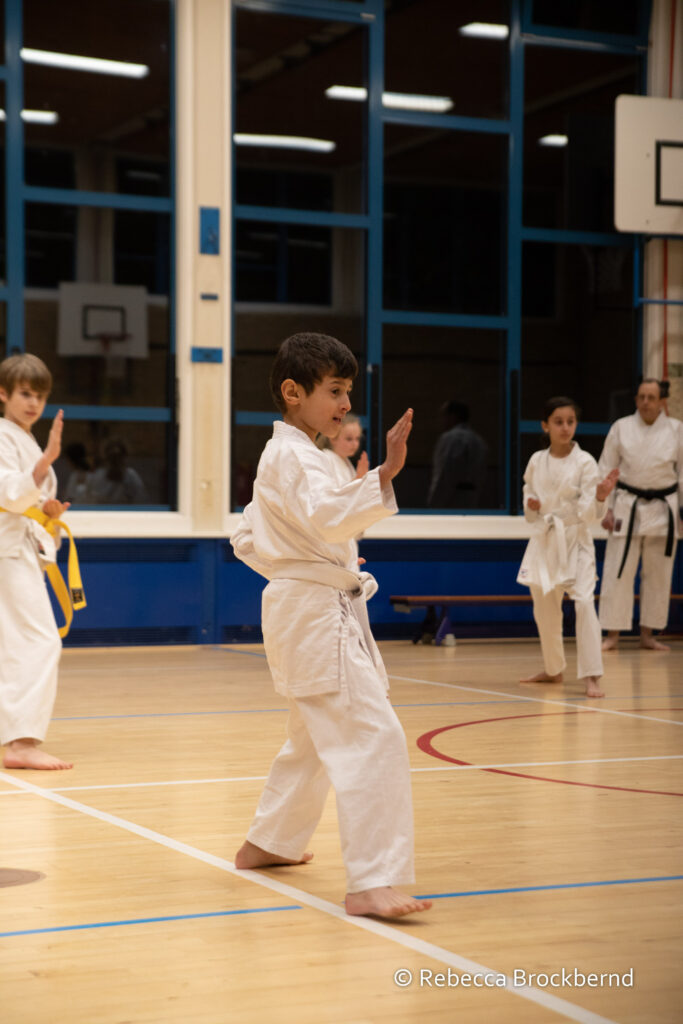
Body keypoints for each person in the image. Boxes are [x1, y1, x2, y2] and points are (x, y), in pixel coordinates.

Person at [230, 332, 431, 919]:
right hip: (316, 617)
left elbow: (247, 534)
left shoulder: (296, 457)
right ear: (294, 393)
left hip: (305, 609)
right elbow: (322, 517)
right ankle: (373, 880)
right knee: (374, 737)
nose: (346, 404)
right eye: (335, 391)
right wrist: (388, 470)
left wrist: (320, 564)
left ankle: (268, 843)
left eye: (349, 391)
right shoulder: (293, 455)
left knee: (313, 740)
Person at [517, 397, 619, 699]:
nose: (565, 428)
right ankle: (553, 669)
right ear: (545, 425)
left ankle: (592, 675)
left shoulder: (586, 462)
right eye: (558, 422)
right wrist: (531, 505)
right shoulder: (537, 460)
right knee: (544, 609)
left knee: (585, 604)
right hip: (546, 540)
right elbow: (528, 495)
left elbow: (590, 515)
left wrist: (600, 497)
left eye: (570, 422)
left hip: (576, 541)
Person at [0, 353, 73, 770]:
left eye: (40, 396)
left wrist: (48, 512)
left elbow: (24, 501)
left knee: (12, 644)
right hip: (7, 554)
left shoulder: (21, 439)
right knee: (38, 641)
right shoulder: (3, 435)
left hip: (17, 549)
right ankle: (22, 743)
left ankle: (16, 737)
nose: (33, 403)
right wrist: (45, 462)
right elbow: (8, 493)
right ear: (4, 393)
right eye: (25, 394)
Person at [598, 379, 683, 651]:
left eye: (651, 397)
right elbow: (606, 470)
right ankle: (612, 635)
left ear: (661, 402)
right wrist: (605, 509)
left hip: (664, 508)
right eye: (641, 397)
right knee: (617, 571)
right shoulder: (621, 428)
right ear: (636, 400)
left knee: (658, 575)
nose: (646, 402)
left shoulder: (677, 430)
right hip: (627, 504)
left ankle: (648, 634)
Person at [428, 400, 488, 508]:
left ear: (453, 416)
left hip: (451, 500)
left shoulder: (451, 439)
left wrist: (434, 503)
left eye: (444, 415)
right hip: (473, 499)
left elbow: (444, 473)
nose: (441, 420)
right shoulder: (478, 441)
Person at [86, 436, 147, 505]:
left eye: (118, 457)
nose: (115, 460)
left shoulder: (131, 476)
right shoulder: (98, 476)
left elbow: (140, 500)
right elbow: (90, 500)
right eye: (112, 457)